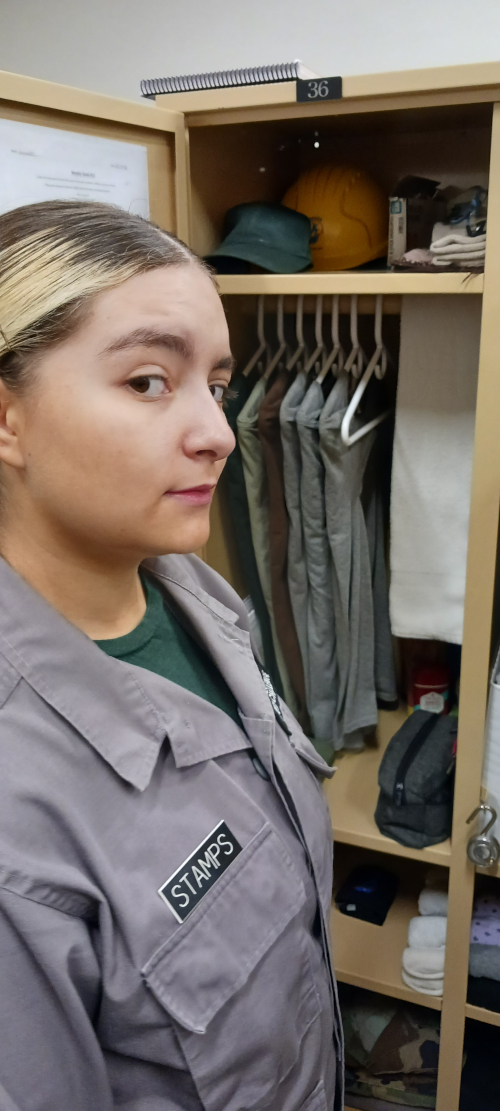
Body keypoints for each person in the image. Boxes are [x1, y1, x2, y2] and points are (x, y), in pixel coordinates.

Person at [0, 200, 342, 1111]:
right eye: (149, 381)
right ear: (7, 418)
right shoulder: (15, 810)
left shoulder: (195, 594)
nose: (219, 433)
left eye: (218, 386)